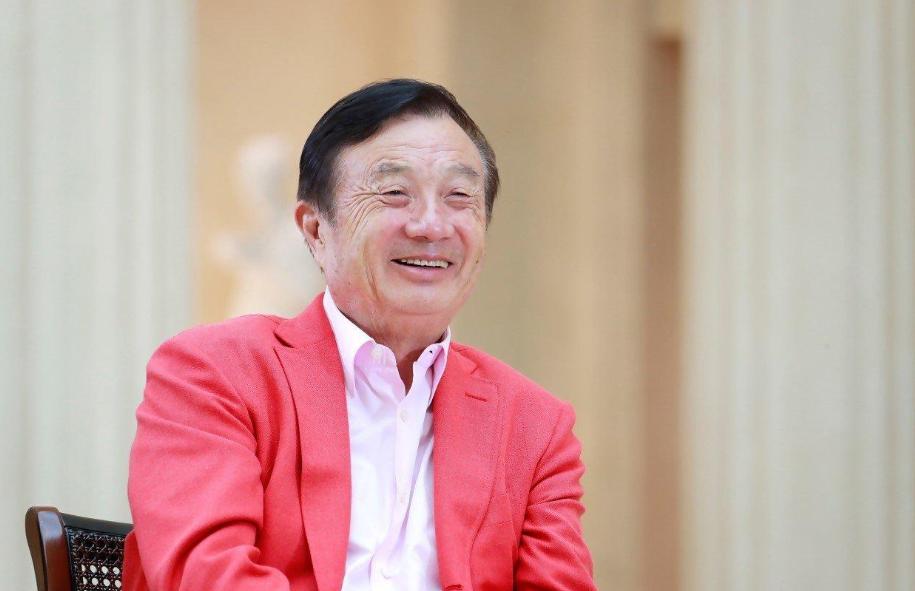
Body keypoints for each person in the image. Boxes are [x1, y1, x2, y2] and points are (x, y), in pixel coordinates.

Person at [124, 79, 595, 591]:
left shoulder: (535, 426)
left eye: (459, 196)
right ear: (315, 231)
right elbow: (207, 577)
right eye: (395, 193)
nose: (431, 225)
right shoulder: (215, 373)